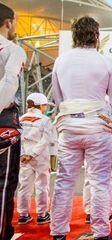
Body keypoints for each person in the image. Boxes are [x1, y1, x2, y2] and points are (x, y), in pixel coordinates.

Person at [50, 16, 112, 240]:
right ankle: (101, 233)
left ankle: (58, 233)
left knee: (63, 182)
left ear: (74, 35)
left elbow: (58, 99)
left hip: (69, 126)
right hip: (97, 126)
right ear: (96, 36)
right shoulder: (107, 62)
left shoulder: (61, 61)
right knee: (100, 182)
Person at [0, 3, 27, 239]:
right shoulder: (12, 49)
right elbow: (9, 84)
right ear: (8, 22)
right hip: (3, 119)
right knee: (4, 184)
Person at [17, 93, 53, 225]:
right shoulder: (45, 120)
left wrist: (23, 154)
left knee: (24, 186)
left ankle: (23, 215)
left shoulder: (20, 119)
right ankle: (42, 214)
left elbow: (18, 139)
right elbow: (46, 140)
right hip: (40, 155)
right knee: (42, 185)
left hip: (24, 155)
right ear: (41, 105)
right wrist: (33, 153)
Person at [83, 110, 112, 225]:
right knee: (109, 178)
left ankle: (90, 213)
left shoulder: (88, 100)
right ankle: (106, 212)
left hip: (89, 139)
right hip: (107, 140)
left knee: (89, 177)